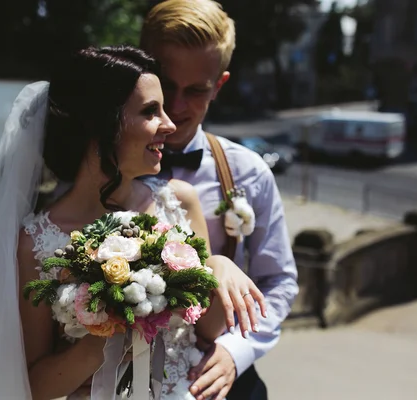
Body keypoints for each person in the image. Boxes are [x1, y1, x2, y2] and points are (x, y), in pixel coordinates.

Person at [0, 46, 266, 400]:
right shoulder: (36, 242)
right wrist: (99, 342)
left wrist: (218, 267)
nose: (169, 124)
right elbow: (33, 385)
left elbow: (205, 331)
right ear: (102, 126)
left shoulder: (179, 200)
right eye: (150, 111)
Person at [140, 1, 299, 399]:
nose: (175, 108)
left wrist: (235, 351)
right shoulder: (99, 169)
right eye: (165, 83)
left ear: (220, 85)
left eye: (195, 91)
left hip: (215, 378)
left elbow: (278, 280)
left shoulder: (248, 172)